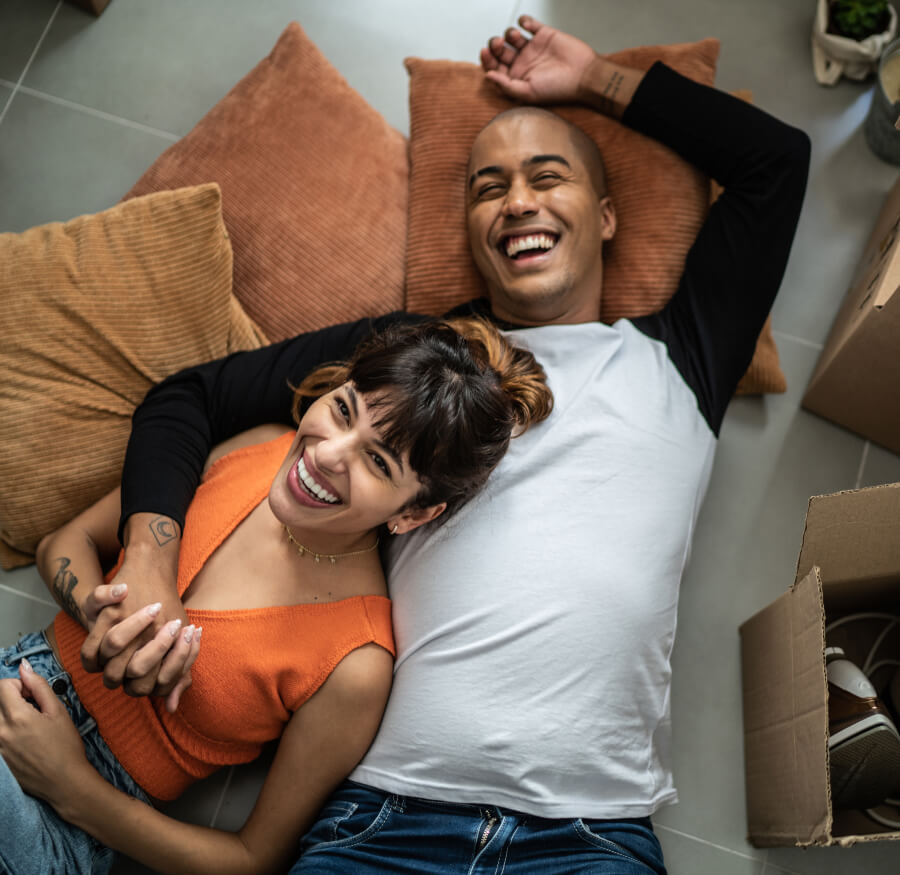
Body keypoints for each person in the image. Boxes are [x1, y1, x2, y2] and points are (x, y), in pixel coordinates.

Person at [3, 12, 810, 874]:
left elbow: (777, 163)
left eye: (548, 176)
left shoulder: (678, 357)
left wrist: (592, 80)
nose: (518, 201)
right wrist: (150, 560)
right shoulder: (413, 363)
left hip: (588, 828)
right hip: (383, 817)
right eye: (487, 187)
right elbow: (188, 398)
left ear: (607, 215)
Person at [0, 317, 552, 875]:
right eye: (343, 411)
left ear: (414, 513)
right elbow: (64, 542)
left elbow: (252, 858)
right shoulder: (256, 448)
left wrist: (70, 785)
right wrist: (107, 618)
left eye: (378, 462)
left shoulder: (355, 663)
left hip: (62, 822)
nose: (329, 455)